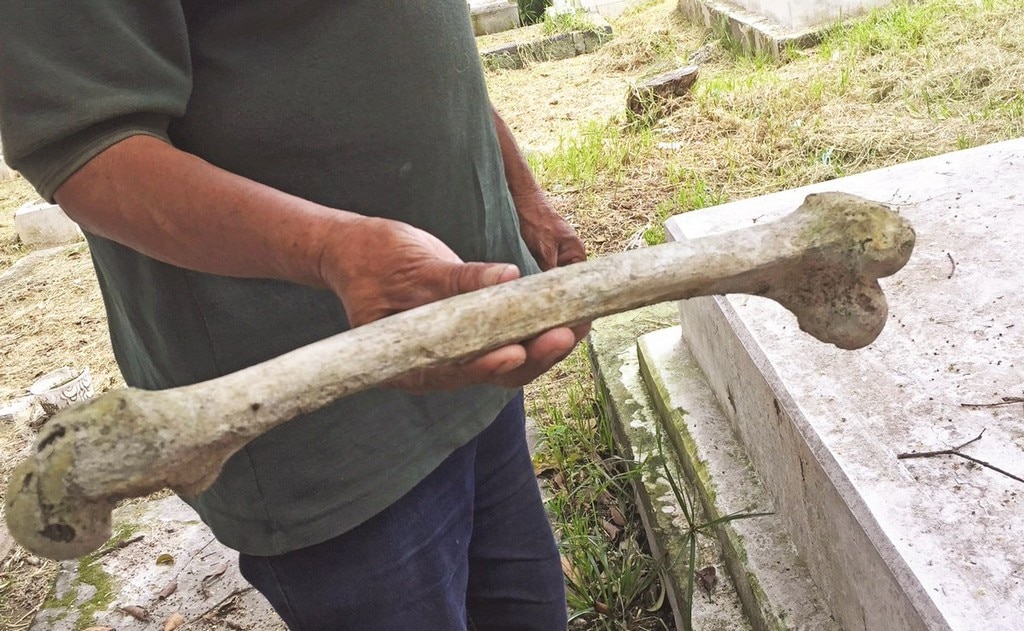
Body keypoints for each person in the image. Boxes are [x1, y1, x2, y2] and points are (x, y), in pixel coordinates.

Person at [0, 3, 589, 629]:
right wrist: (332, 251)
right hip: (320, 432)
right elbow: (89, 151)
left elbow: (417, 47)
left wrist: (522, 192)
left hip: (477, 357)